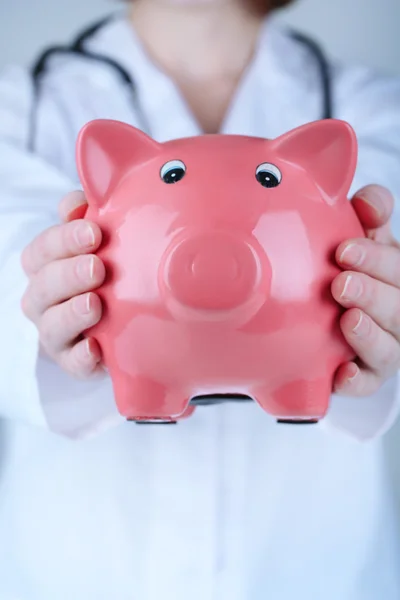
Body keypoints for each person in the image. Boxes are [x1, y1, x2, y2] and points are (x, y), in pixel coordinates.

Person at [0, 0, 399, 597]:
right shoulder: (21, 105)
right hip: (78, 572)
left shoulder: (377, 111)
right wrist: (41, 299)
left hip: (318, 571)